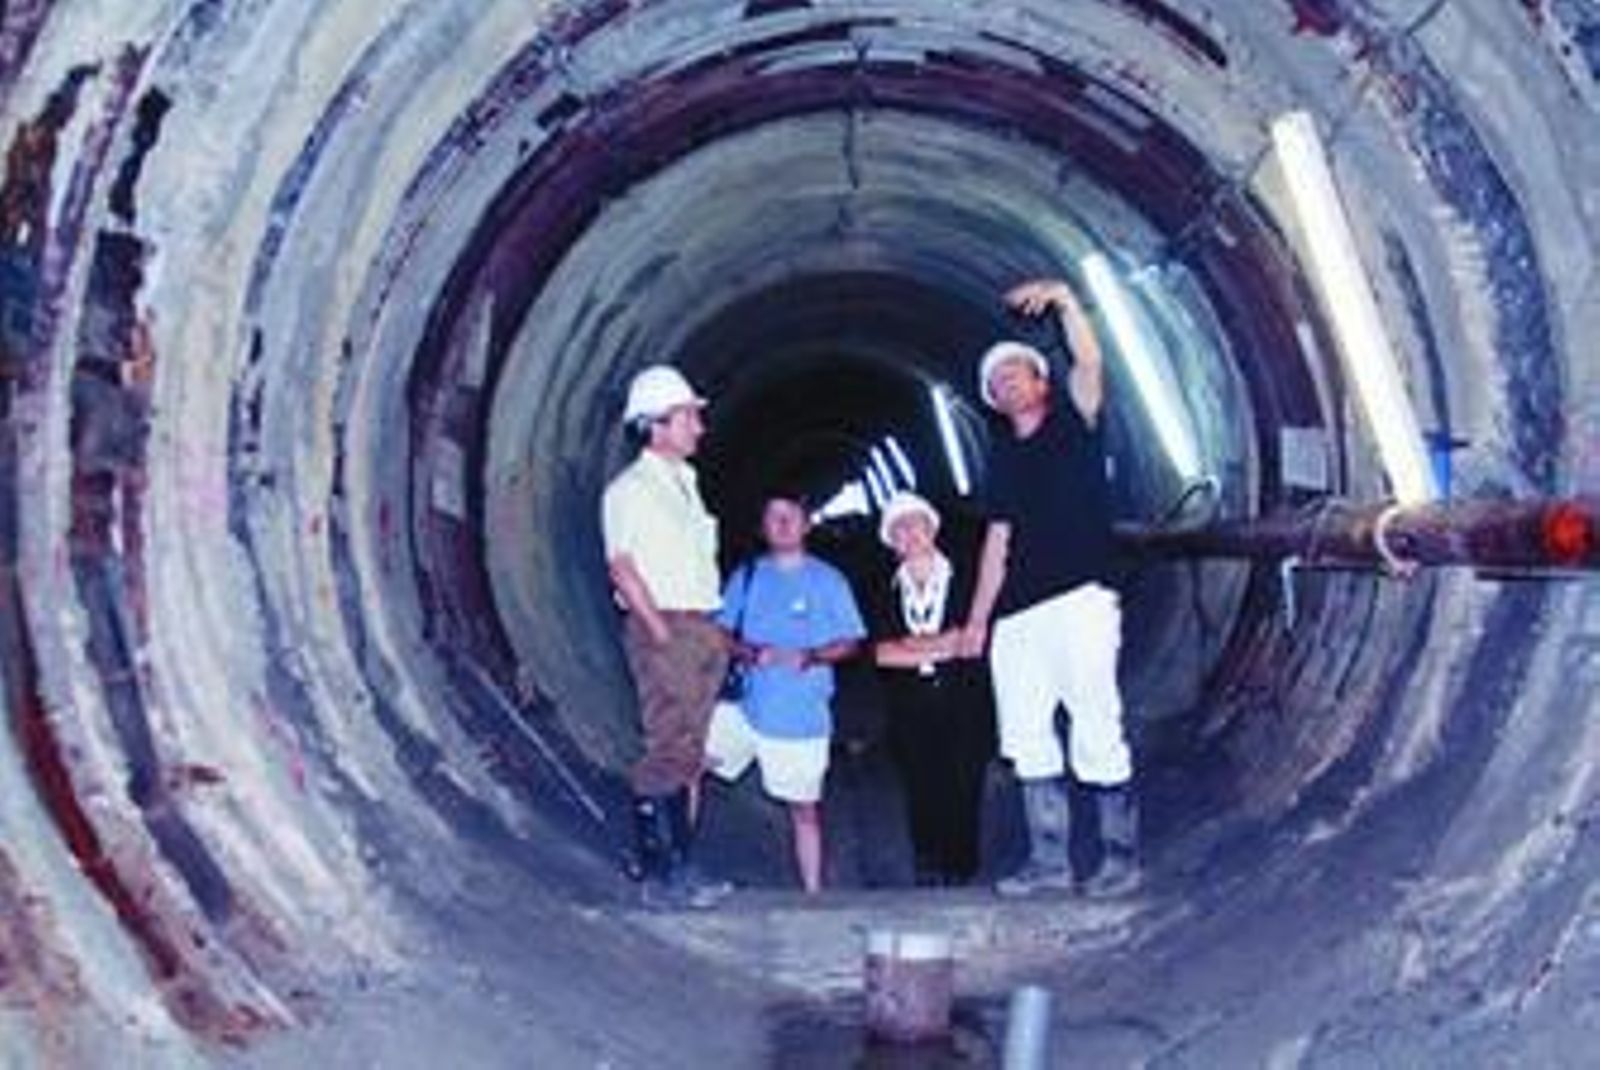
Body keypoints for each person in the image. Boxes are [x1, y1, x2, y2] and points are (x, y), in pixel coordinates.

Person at [959, 278, 1141, 899]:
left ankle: (1119, 857)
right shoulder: (1002, 460)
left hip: (1081, 597)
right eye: (997, 382)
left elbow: (1089, 361)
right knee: (1026, 733)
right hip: (1017, 615)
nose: (1008, 383)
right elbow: (996, 544)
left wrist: (1065, 300)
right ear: (992, 400)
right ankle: (1049, 861)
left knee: (1094, 719)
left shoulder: (1075, 424)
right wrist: (979, 620)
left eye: (1018, 373)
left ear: (1042, 382)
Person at [601, 364, 734, 910]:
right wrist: (658, 631)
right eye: (689, 417)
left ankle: (679, 865)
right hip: (668, 626)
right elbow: (621, 567)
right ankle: (663, 874)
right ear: (657, 424)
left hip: (701, 626)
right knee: (668, 748)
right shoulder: (628, 490)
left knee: (690, 751)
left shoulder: (686, 484)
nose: (699, 427)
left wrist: (712, 634)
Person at [706, 491, 866, 894]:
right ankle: (672, 865)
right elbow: (720, 631)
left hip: (801, 718)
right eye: (773, 517)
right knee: (687, 764)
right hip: (745, 709)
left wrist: (812, 656)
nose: (782, 524)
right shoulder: (747, 576)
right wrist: (750, 651)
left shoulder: (828, 580)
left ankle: (812, 895)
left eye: (790, 516)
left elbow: (852, 641)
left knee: (804, 811)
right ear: (762, 528)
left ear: (806, 524)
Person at [871, 490, 996, 886]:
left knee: (964, 780)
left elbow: (972, 642)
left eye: (916, 523)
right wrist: (945, 643)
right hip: (910, 702)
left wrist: (916, 645)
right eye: (898, 529)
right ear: (891, 542)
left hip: (964, 698)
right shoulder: (884, 589)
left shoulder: (966, 579)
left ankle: (961, 866)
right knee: (921, 782)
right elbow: (882, 654)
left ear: (932, 528)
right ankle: (927, 862)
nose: (909, 533)